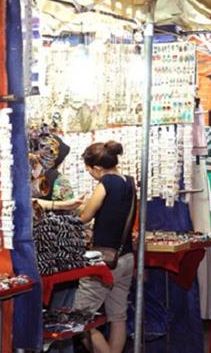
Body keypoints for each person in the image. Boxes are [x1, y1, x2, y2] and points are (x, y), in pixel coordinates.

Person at [73, 141, 136, 353]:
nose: (90, 174)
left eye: (89, 170)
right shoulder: (129, 182)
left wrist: (74, 207)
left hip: (103, 261)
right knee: (118, 317)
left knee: (78, 319)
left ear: (97, 168)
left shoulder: (106, 184)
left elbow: (84, 217)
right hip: (125, 256)